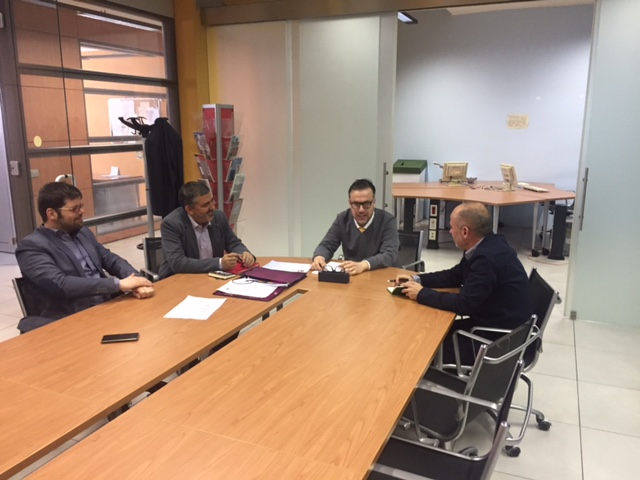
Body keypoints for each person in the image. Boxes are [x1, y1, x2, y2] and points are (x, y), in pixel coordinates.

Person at [395, 201, 532, 364]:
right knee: (423, 333)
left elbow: (464, 304)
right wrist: (418, 279)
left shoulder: (486, 259)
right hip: (495, 325)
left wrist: (421, 294)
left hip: (499, 342)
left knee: (419, 351)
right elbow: (455, 275)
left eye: (451, 227)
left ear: (465, 232)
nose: (450, 231)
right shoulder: (488, 244)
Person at [15, 182, 154, 333]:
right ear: (52, 214)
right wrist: (118, 284)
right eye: (75, 209)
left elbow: (111, 259)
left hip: (109, 306)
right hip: (72, 318)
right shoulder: (31, 246)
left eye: (81, 206)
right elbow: (60, 284)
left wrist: (137, 281)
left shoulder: (83, 232)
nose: (82, 211)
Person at [158, 181, 255, 279]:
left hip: (212, 278)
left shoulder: (218, 217)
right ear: (190, 210)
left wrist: (244, 253)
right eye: (205, 205)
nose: (212, 207)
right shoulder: (172, 224)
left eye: (212, 201)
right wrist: (219, 263)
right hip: (178, 279)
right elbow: (178, 263)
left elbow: (233, 243)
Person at [311, 179, 399, 275]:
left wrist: (364, 265)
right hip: (351, 276)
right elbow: (327, 245)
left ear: (374, 202)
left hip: (379, 275)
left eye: (366, 204)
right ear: (350, 203)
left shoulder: (387, 220)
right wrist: (320, 256)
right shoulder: (342, 219)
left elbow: (389, 254)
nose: (361, 210)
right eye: (356, 204)